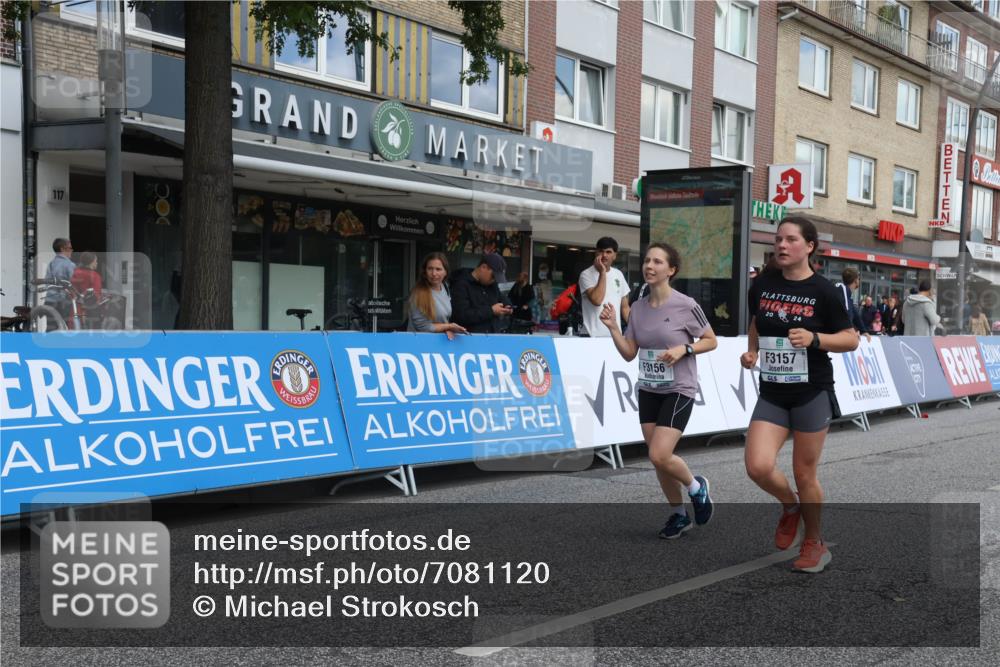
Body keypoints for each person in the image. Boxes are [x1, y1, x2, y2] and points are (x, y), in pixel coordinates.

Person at [741, 217, 859, 573]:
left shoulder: (825, 290)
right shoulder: (762, 284)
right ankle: (790, 507)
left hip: (811, 391)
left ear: (809, 246)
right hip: (774, 391)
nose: (781, 245)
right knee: (757, 466)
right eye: (778, 239)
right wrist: (753, 351)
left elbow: (851, 338)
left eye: (791, 239)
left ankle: (815, 542)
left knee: (804, 472)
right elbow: (757, 322)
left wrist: (815, 339)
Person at [600, 243, 717, 539]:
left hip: (679, 388)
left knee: (659, 453)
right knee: (658, 459)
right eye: (647, 261)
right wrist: (614, 327)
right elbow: (629, 353)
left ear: (671, 270)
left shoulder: (685, 305)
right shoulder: (637, 309)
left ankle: (696, 487)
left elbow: (711, 340)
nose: (649, 266)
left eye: (657, 262)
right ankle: (679, 515)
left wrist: (684, 348)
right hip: (649, 388)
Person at [406, 252, 467, 339]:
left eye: (438, 269)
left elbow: (441, 320)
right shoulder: (418, 294)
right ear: (425, 271)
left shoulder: (445, 287)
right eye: (430, 269)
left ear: (445, 272)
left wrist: (446, 328)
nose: (434, 273)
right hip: (419, 345)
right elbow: (423, 327)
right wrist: (448, 326)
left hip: (440, 345)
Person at [578, 237, 631, 337]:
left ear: (615, 255)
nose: (604, 255)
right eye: (601, 251)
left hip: (615, 336)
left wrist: (638, 329)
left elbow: (625, 308)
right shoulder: (586, 274)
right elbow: (597, 300)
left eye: (608, 252)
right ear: (596, 253)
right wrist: (602, 272)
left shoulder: (618, 274)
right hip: (591, 336)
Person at [450, 253, 513, 334]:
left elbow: (502, 297)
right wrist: (491, 311)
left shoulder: (491, 285)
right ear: (483, 267)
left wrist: (508, 306)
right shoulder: (460, 285)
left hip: (492, 337)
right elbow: (461, 316)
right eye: (493, 276)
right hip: (470, 339)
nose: (494, 280)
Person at [44, 237, 76, 318]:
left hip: (50, 301)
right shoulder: (69, 265)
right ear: (62, 249)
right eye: (70, 248)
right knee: (64, 327)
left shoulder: (51, 264)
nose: (72, 250)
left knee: (51, 328)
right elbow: (74, 283)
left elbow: (47, 282)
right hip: (63, 303)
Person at [835, 268, 869, 340]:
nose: (859, 281)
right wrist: (852, 332)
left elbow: (855, 315)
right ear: (856, 280)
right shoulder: (842, 289)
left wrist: (863, 331)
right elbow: (847, 316)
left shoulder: (847, 295)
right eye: (859, 279)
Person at [70, 252, 102, 328]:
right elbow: (96, 295)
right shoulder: (95, 276)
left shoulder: (75, 273)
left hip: (76, 309)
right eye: (96, 261)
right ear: (91, 262)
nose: (97, 263)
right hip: (90, 312)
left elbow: (72, 291)